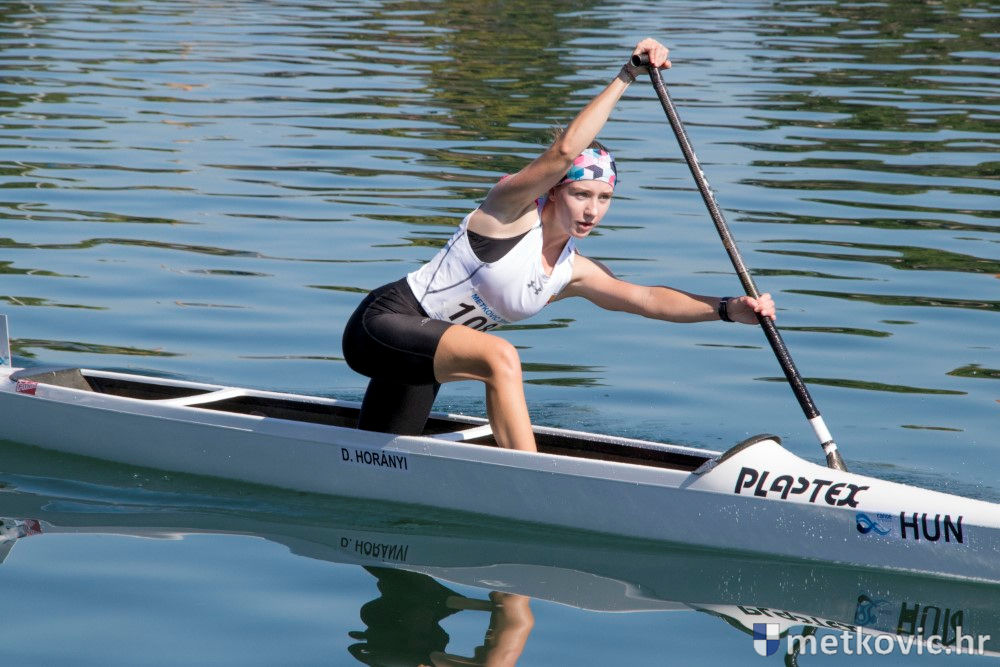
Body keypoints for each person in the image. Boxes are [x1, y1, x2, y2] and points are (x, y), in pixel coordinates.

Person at [342, 38, 776, 452]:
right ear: (552, 191)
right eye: (581, 194)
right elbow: (566, 151)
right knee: (500, 356)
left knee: (377, 458)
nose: (592, 210)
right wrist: (628, 74)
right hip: (380, 326)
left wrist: (727, 309)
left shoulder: (573, 271)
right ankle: (530, 476)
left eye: (604, 198)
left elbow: (646, 299)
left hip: (419, 362)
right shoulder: (507, 212)